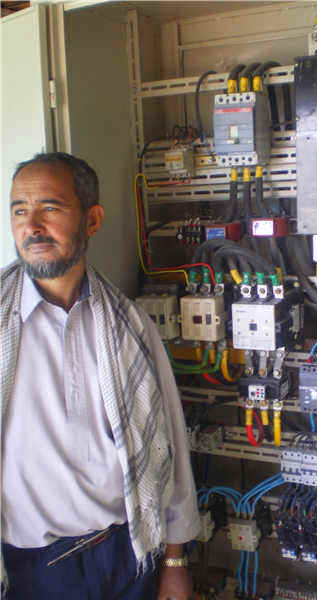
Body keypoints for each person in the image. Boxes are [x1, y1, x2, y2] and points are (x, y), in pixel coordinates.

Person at [0, 153, 200, 599]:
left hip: (127, 557)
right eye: (19, 210)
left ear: (92, 220)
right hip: (30, 571)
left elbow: (169, 447)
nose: (32, 226)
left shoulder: (130, 326)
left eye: (50, 208)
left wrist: (174, 561)